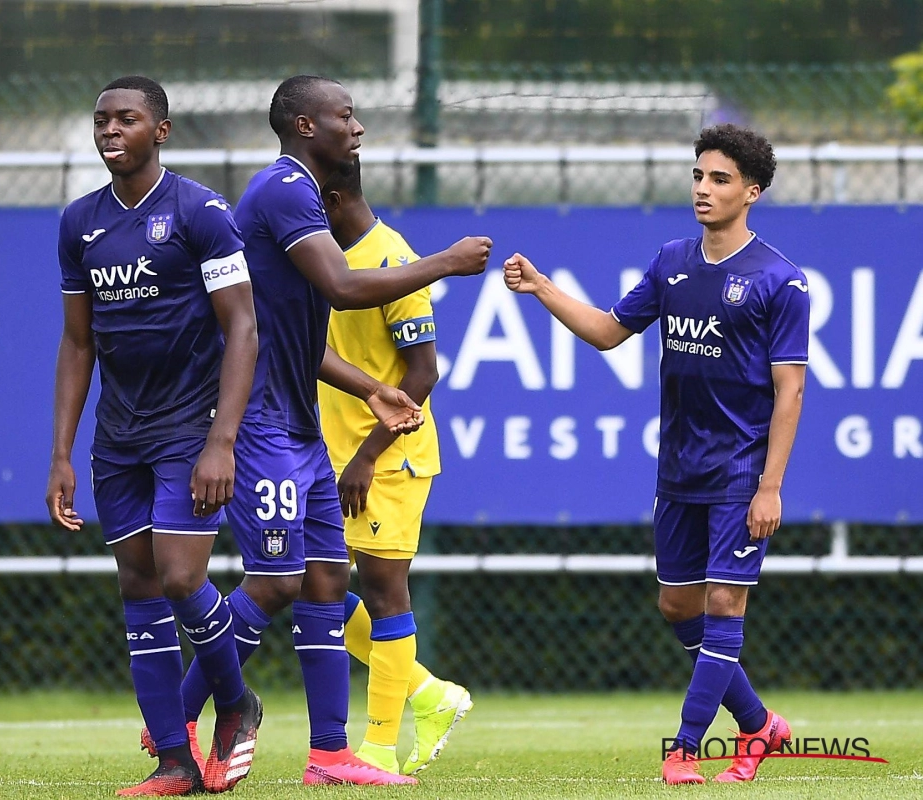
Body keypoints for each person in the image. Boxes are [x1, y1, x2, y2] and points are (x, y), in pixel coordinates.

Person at [149, 74, 491, 787]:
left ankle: (332, 755)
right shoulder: (283, 190)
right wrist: (448, 262)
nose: (358, 126)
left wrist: (371, 389)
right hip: (262, 421)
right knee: (276, 583)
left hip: (300, 425)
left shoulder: (301, 195)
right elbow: (339, 287)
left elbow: (301, 335)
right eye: (346, 114)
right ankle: (178, 720)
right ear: (306, 126)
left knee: (328, 581)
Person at [502, 124, 807, 785]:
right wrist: (543, 287)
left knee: (725, 606)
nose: (703, 187)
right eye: (698, 175)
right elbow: (610, 332)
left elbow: (791, 391)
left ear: (751, 192)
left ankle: (685, 749)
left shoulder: (780, 281)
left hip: (739, 474)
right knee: (678, 608)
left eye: (720, 178)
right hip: (678, 471)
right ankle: (760, 728)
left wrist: (770, 485)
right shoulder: (672, 260)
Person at [45, 75, 263, 797]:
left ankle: (235, 702)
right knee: (137, 583)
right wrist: (61, 455)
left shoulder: (201, 211)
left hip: (189, 427)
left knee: (180, 576)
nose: (110, 131)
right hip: (119, 437)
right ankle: (173, 761)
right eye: (101, 119)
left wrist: (222, 441)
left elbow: (243, 326)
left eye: (126, 120)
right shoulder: (79, 223)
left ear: (160, 131)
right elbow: (79, 345)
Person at [317, 158, 473, 776]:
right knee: (314, 587)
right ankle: (430, 693)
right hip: (329, 453)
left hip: (387, 461)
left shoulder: (392, 261)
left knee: (384, 593)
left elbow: (422, 372)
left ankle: (378, 746)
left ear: (327, 199)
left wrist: (365, 455)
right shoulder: (320, 260)